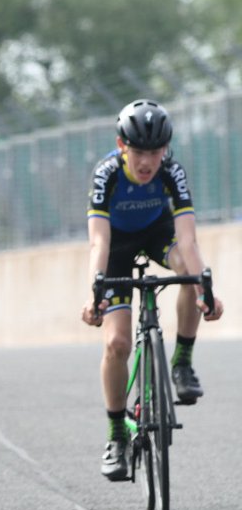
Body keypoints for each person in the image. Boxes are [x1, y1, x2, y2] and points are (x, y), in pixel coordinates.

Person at [81, 99, 224, 481]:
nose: (147, 162)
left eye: (155, 152)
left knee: (191, 274)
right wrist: (95, 294)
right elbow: (99, 244)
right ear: (121, 146)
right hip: (117, 246)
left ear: (165, 149)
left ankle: (181, 362)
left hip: (158, 233)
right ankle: (116, 437)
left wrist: (204, 288)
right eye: (139, 152)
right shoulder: (107, 173)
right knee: (117, 345)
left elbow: (188, 242)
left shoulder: (172, 172)